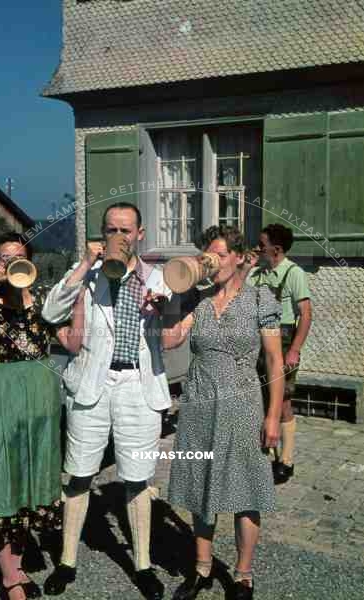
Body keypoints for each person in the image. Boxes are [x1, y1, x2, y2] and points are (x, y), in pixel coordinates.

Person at [41, 202, 172, 600]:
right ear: (101, 235)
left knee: (136, 478)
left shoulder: (158, 278)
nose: (119, 237)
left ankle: (144, 565)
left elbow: (173, 320)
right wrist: (83, 265)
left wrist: (160, 310)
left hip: (138, 385)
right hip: (92, 387)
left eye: (126, 230)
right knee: (79, 474)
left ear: (140, 235)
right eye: (111, 230)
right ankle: (67, 561)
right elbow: (50, 312)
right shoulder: (87, 275)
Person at [163, 225, 284, 600]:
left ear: (236, 257)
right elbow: (169, 342)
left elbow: (275, 361)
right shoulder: (196, 301)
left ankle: (243, 575)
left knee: (245, 491)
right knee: (202, 485)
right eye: (206, 255)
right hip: (199, 402)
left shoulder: (260, 298)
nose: (211, 262)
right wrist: (172, 295)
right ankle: (201, 568)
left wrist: (273, 416)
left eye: (218, 254)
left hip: (243, 404)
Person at [0, 232, 78, 600]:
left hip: (39, 404)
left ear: (29, 261)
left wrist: (83, 299)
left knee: (28, 483)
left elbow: (72, 342)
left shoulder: (42, 302)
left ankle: (16, 563)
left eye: (18, 257)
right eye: (4, 258)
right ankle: (11, 578)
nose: (12, 264)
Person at [247, 224, 312, 484]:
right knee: (262, 398)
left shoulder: (294, 273)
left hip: (283, 340)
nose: (258, 247)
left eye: (262, 244)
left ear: (276, 248)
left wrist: (294, 349)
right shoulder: (258, 273)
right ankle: (267, 455)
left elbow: (306, 315)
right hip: (257, 337)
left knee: (282, 401)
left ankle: (286, 460)